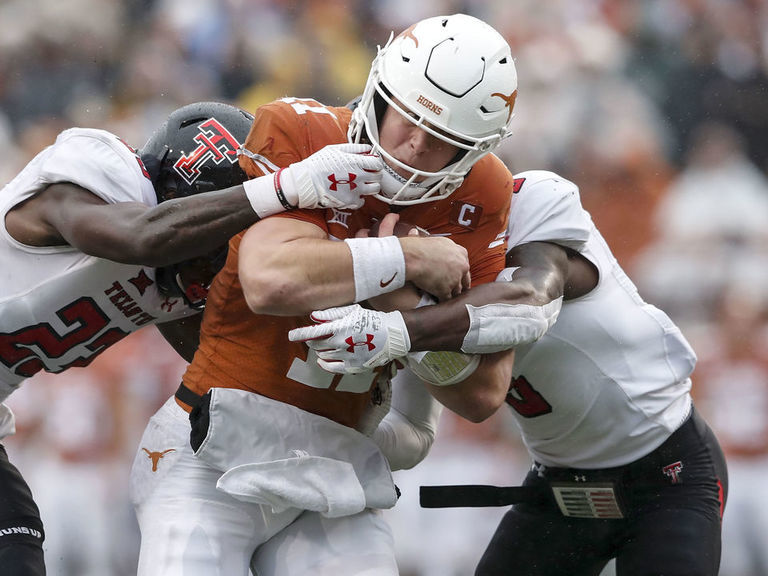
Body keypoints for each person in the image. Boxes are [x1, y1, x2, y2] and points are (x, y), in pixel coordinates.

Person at [129, 13, 520, 576]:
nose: (412, 144)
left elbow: (485, 392)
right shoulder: (303, 130)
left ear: (474, 151)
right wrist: (404, 259)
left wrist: (404, 315)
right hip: (209, 458)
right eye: (404, 116)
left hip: (336, 473)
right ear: (376, 90)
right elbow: (271, 280)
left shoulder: (483, 191)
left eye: (442, 141)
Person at [0, 100, 383, 574]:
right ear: (179, 196)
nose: (215, 267)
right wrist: (283, 188)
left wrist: (378, 308)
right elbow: (145, 238)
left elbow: (227, 361)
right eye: (211, 246)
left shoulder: (176, 284)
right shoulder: (98, 177)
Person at [291, 168, 729, 576]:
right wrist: (337, 439)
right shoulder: (394, 295)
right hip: (560, 489)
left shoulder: (527, 208)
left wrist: (402, 327)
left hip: (668, 473)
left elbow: (531, 299)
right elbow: (421, 427)